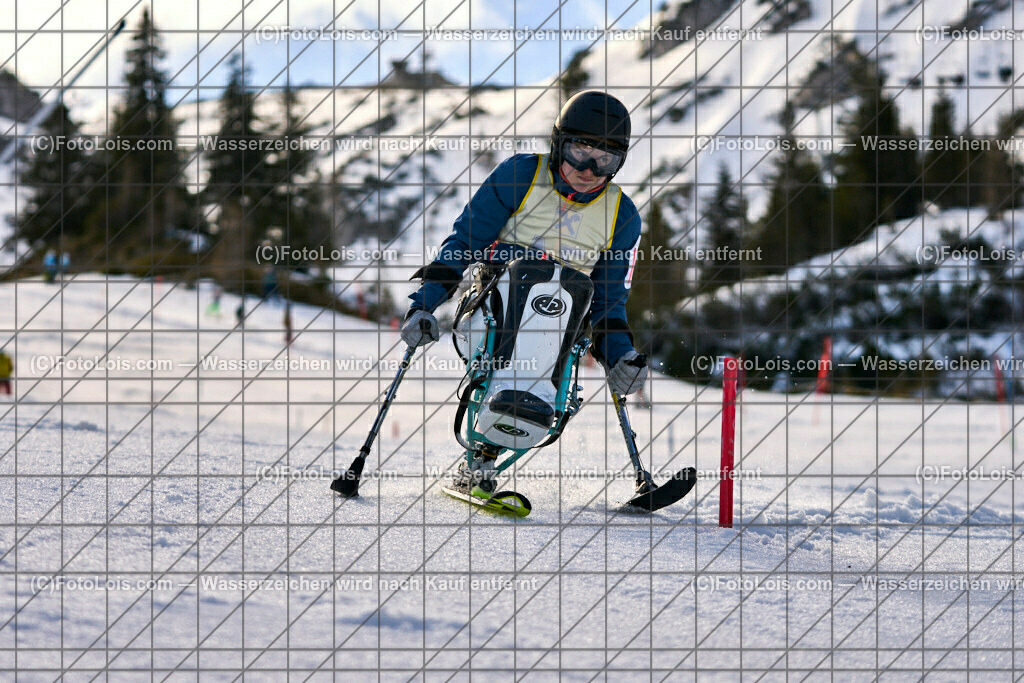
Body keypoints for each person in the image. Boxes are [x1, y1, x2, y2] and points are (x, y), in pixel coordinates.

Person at [400, 90, 648, 494]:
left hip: (561, 331)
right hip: (490, 313)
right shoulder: (520, 176)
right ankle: (483, 452)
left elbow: (608, 301)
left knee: (568, 286)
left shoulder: (622, 215)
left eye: (605, 160)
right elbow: (463, 244)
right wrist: (423, 306)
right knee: (529, 274)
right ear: (557, 144)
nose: (588, 169)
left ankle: (509, 431)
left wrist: (621, 356)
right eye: (578, 151)